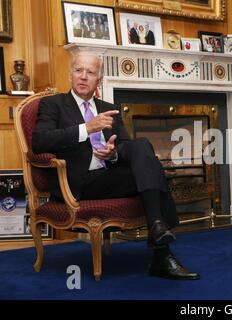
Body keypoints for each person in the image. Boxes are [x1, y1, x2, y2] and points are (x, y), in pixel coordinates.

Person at [32, 52, 200, 280]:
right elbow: (40, 141)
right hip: (76, 182)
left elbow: (123, 146)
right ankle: (160, 247)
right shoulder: (53, 104)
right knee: (153, 172)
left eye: (90, 72)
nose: (83, 77)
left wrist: (111, 154)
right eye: (78, 70)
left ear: (99, 80)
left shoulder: (108, 107)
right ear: (70, 74)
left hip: (107, 175)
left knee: (141, 148)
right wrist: (86, 129)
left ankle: (158, 233)